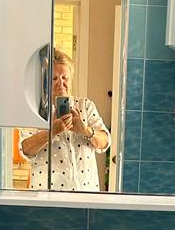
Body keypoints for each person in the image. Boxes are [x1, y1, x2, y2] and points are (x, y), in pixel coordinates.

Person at [20, 49, 111, 191]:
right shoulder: (35, 110)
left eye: (65, 78)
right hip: (47, 196)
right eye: (54, 79)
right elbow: (26, 149)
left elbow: (105, 142)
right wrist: (52, 131)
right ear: (44, 82)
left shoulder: (86, 106)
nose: (60, 83)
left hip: (86, 193)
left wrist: (85, 130)